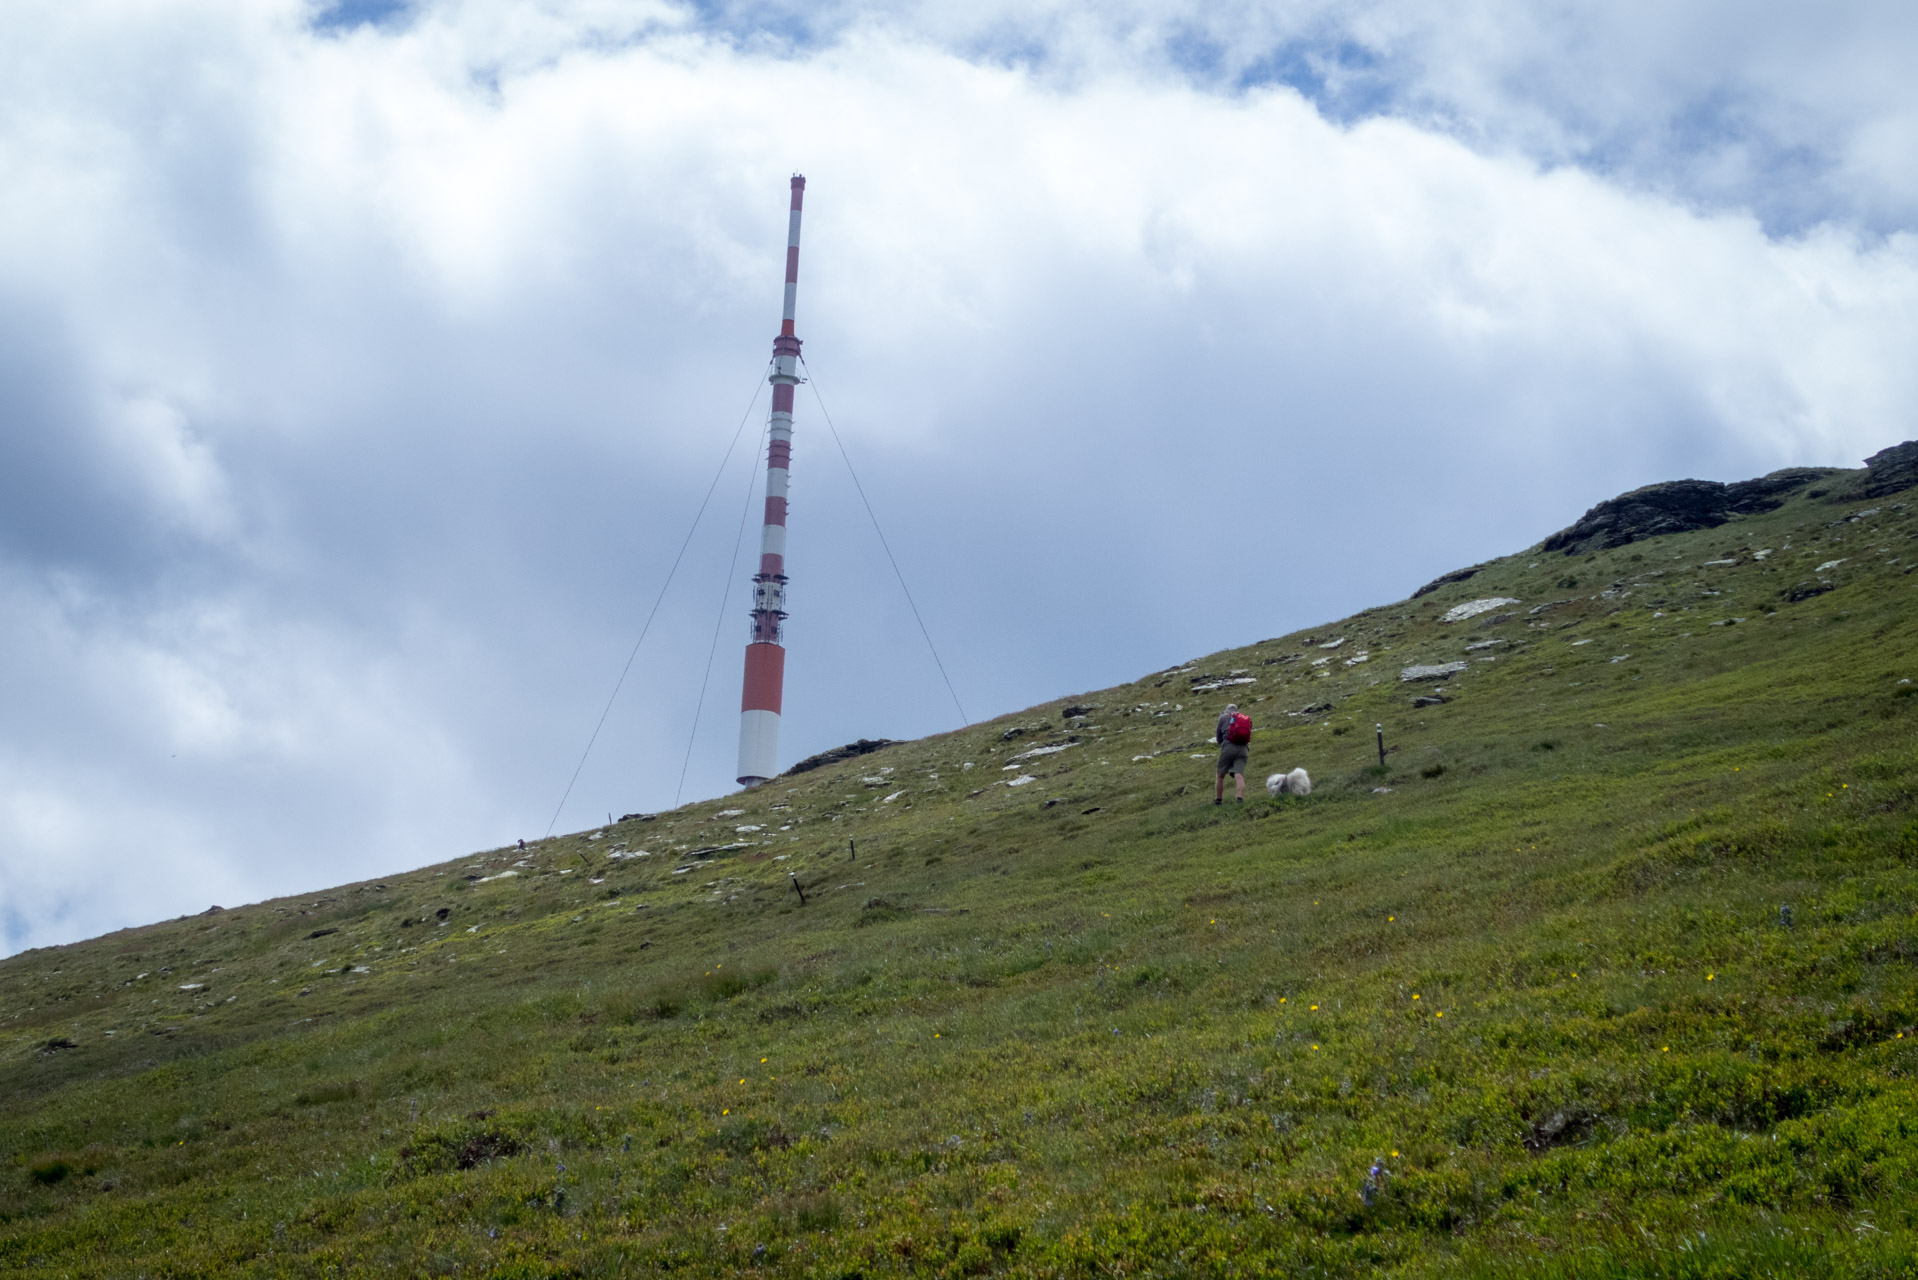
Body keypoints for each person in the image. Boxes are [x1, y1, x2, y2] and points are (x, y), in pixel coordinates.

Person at [1215, 702, 1252, 803]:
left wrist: (1222, 743)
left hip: (1228, 746)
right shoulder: (1244, 719)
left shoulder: (1223, 718)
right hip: (1243, 748)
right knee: (1239, 773)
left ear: (1227, 711)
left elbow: (1218, 737)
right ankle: (1239, 797)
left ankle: (1218, 800)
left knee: (1220, 774)